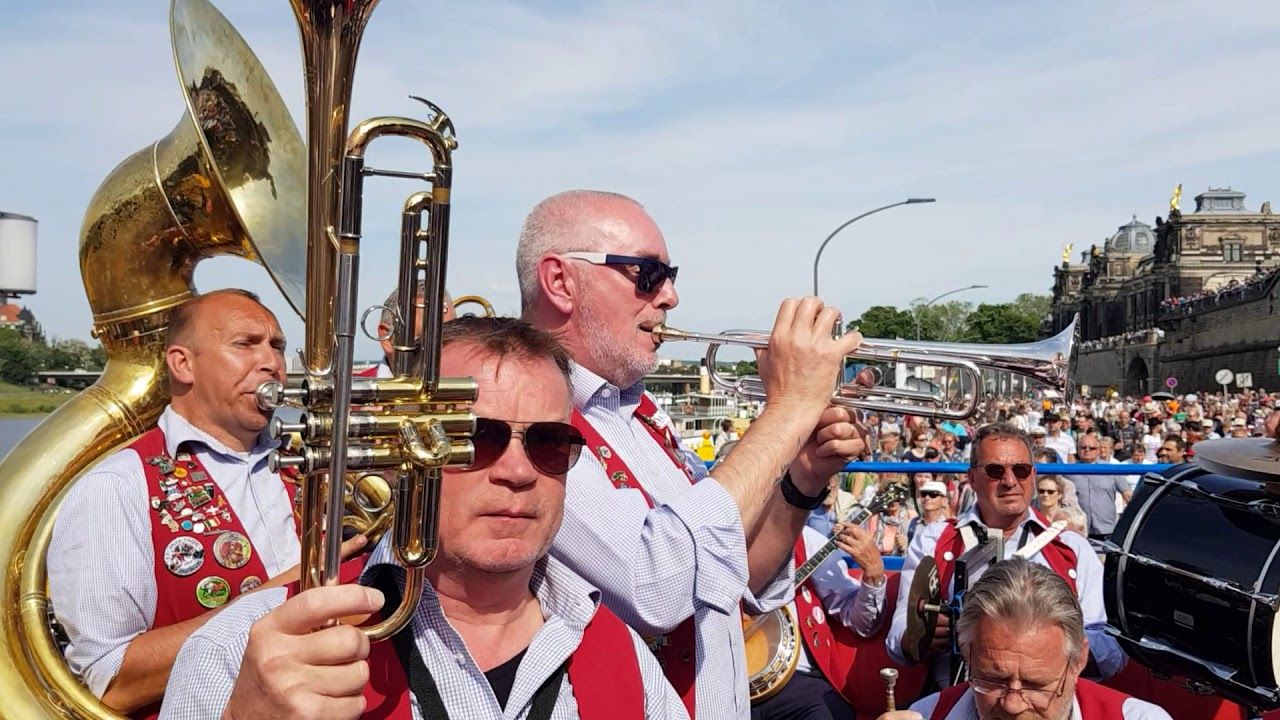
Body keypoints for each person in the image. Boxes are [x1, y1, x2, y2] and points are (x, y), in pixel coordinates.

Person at [161, 317, 688, 719]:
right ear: (401, 451)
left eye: (550, 442)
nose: (518, 471)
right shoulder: (242, 650)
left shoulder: (624, 654)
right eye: (474, 438)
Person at [516, 189, 865, 719]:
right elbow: (657, 587)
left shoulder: (641, 413)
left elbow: (735, 577)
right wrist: (790, 408)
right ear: (561, 281)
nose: (671, 296)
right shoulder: (533, 422)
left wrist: (802, 479)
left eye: (670, 275)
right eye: (648, 274)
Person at [47, 289, 341, 715]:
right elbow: (111, 681)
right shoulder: (117, 486)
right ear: (183, 364)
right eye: (245, 344)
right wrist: (284, 594)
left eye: (276, 346)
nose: (272, 363)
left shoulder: (315, 465)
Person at [885, 423, 1125, 688]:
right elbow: (898, 639)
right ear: (972, 478)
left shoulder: (1071, 548)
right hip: (955, 694)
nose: (1010, 481)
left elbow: (1112, 651)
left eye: (1020, 470)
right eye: (995, 471)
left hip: (1047, 701)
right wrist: (921, 636)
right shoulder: (934, 540)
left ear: (1033, 475)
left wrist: (1050, 642)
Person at [876, 559, 1171, 720]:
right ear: (967, 656)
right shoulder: (927, 714)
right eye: (993, 679)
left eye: (1036, 684)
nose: (1013, 705)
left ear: (1079, 660)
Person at [751, 524, 888, 720]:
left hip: (795, 679)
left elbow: (864, 624)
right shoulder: (714, 531)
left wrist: (873, 575)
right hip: (722, 677)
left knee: (831, 712)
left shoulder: (808, 541)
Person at [366, 285, 458, 377]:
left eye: (453, 338)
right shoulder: (360, 384)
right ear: (387, 339)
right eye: (427, 339)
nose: (444, 351)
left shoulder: (464, 382)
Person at [1061, 432, 1131, 542]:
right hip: (1078, 530)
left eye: (1092, 448)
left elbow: (1127, 495)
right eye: (1083, 447)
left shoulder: (1111, 469)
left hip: (1107, 531)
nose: (1087, 450)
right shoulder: (1068, 472)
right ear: (1077, 450)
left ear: (1098, 450)